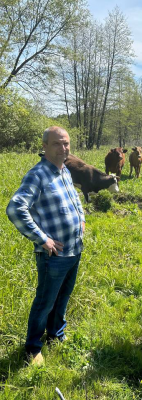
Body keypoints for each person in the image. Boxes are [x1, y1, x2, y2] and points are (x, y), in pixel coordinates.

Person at [6, 126, 86, 366]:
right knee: (45, 302)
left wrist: (81, 218)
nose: (64, 148)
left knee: (62, 298)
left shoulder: (65, 171)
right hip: (54, 254)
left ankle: (56, 335)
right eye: (57, 144)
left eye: (66, 143)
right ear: (44, 147)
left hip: (74, 249)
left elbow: (75, 199)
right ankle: (32, 348)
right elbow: (15, 208)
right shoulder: (38, 174)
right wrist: (42, 239)